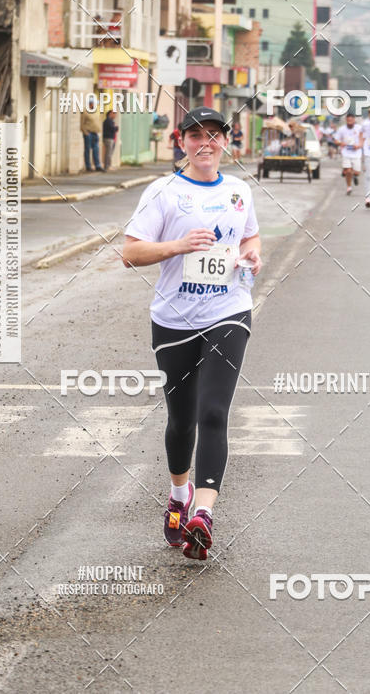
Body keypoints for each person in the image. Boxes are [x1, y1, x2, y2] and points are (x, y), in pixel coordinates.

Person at [122, 107, 262, 561]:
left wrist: (252, 256)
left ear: (226, 142)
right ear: (182, 142)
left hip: (229, 311)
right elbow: (131, 253)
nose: (206, 143)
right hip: (174, 320)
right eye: (196, 135)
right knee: (181, 421)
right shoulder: (163, 192)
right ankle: (179, 495)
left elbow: (250, 238)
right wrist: (178, 246)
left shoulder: (239, 190)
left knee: (213, 413)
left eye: (214, 135)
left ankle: (203, 514)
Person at [333, 112, 363, 194]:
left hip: (356, 153)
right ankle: (349, 187)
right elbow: (336, 140)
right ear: (346, 120)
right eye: (348, 120)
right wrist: (341, 143)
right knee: (348, 171)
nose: (350, 122)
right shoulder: (342, 129)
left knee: (356, 172)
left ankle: (354, 175)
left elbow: (363, 139)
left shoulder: (359, 128)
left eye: (351, 120)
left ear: (354, 120)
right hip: (346, 153)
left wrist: (359, 146)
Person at [80, 95, 104, 171]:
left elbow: (99, 121)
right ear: (90, 104)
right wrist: (85, 132)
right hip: (88, 133)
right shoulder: (85, 111)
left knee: (96, 150)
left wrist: (99, 131)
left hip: (96, 133)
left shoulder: (97, 111)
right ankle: (88, 166)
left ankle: (97, 165)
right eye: (94, 103)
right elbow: (82, 124)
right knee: (87, 150)